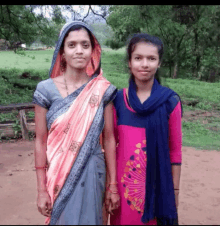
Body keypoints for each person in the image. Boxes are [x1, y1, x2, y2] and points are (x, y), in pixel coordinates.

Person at [33, 21, 120, 225]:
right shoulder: (45, 90)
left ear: (93, 50)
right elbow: (40, 140)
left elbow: (109, 139)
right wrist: (41, 189)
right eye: (72, 45)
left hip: (93, 172)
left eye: (85, 45)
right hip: (58, 175)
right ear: (62, 51)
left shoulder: (101, 90)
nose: (79, 51)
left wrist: (113, 185)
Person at [110, 33, 182, 225]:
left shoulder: (169, 102)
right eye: (138, 58)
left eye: (151, 58)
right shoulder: (118, 100)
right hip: (124, 189)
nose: (144, 64)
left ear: (159, 63)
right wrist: (111, 187)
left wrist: (174, 192)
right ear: (129, 62)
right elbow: (110, 145)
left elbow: (174, 152)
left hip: (159, 189)